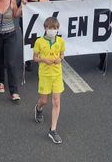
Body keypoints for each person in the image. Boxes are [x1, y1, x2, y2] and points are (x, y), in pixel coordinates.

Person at [33, 16, 65, 145]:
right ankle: (38, 108)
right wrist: (42, 60)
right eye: (51, 28)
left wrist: (60, 59)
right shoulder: (39, 42)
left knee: (56, 102)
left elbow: (62, 54)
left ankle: (53, 130)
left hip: (57, 74)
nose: (53, 30)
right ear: (45, 28)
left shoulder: (61, 41)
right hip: (45, 75)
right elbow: (35, 58)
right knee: (44, 101)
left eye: (55, 28)